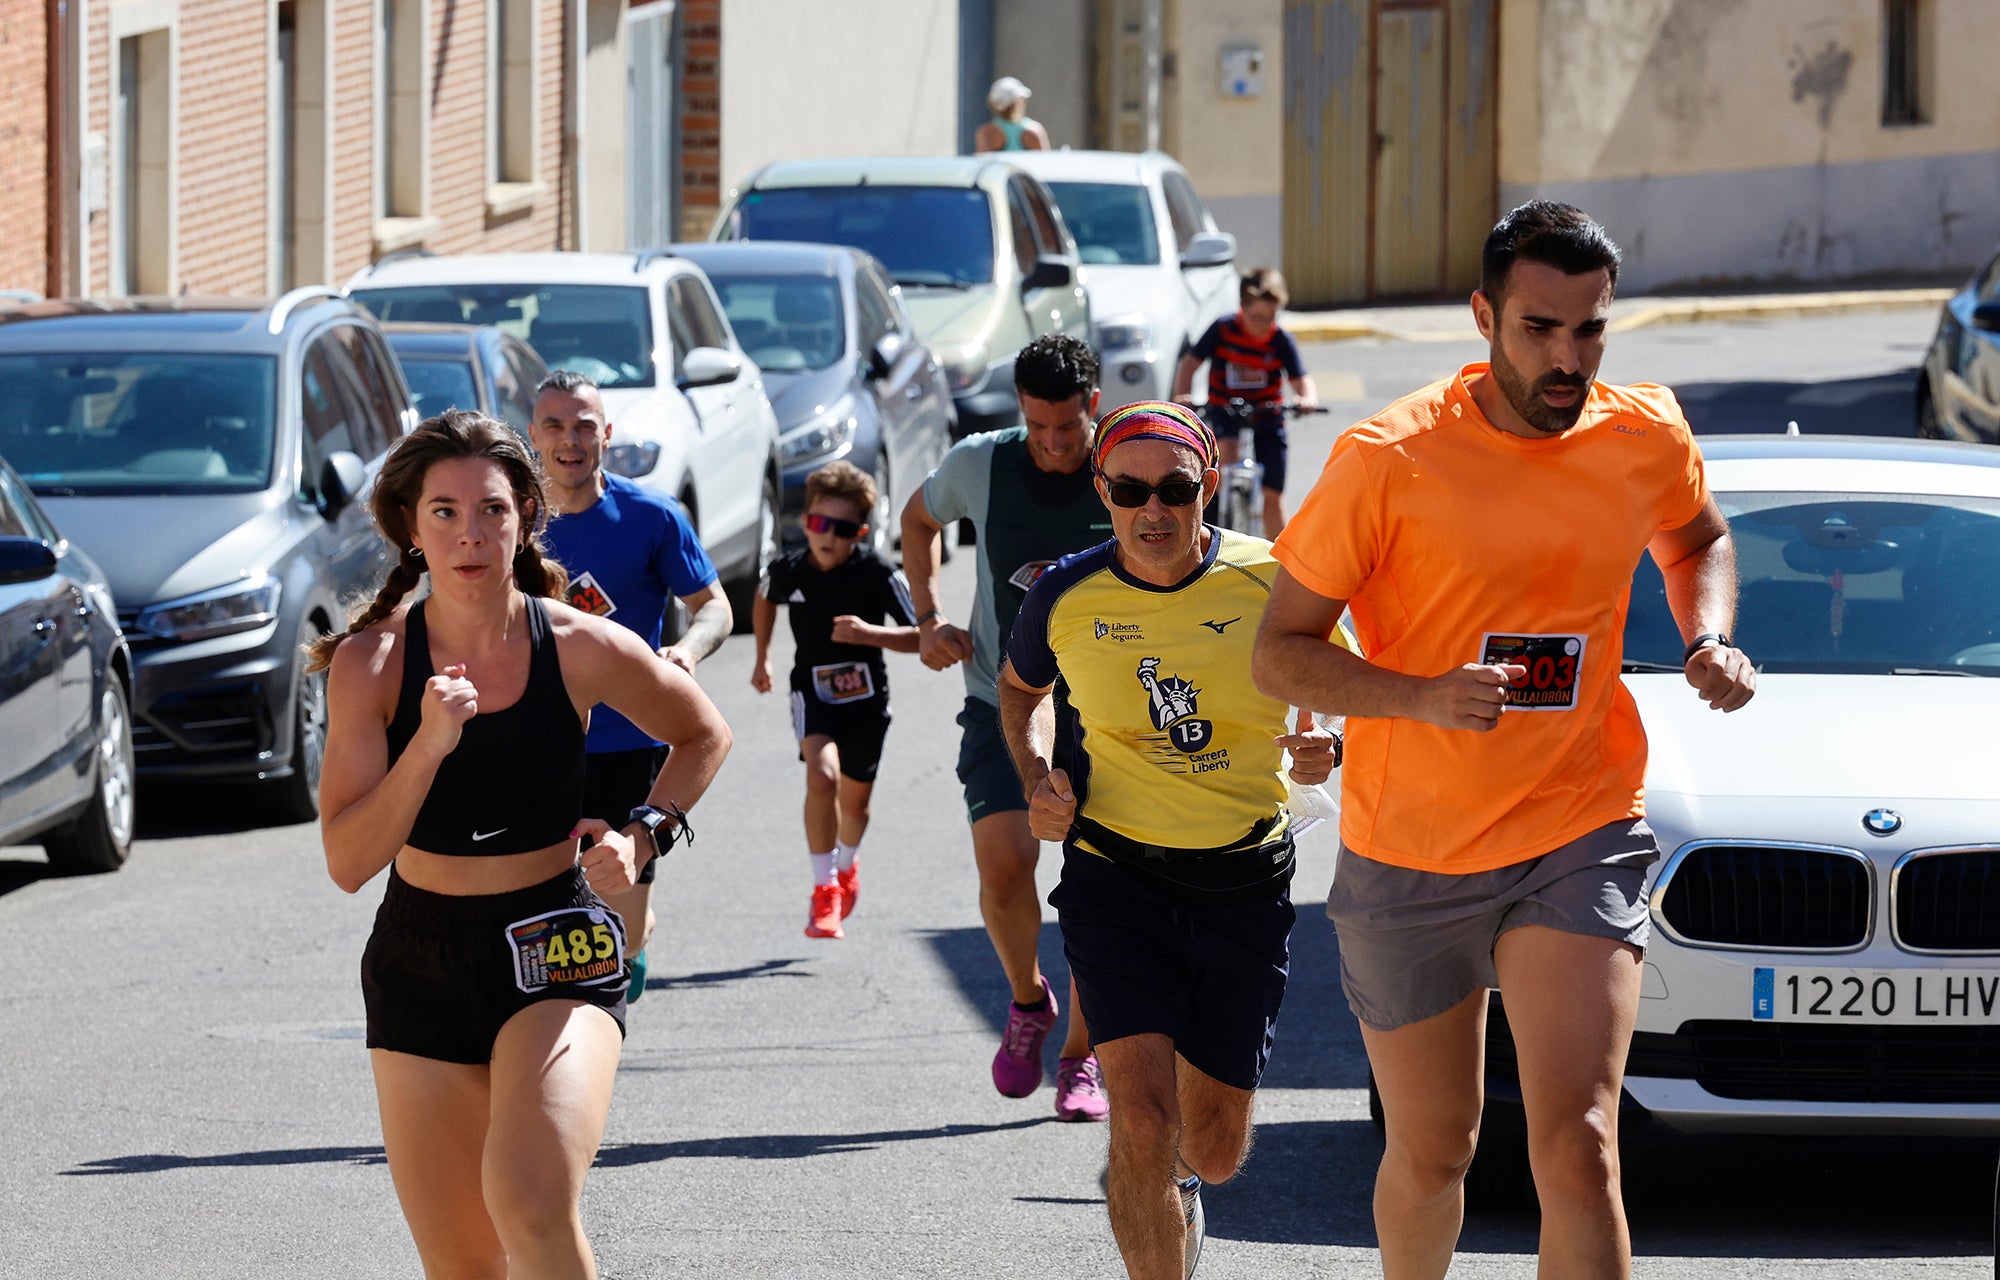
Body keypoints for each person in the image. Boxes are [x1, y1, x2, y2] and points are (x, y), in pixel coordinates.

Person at [1253, 201, 1756, 1280]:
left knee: (1576, 1142)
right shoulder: (1387, 458)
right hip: (1411, 852)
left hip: (1576, 824)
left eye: (1588, 330)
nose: (1566, 357)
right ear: (1482, 314)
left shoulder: (1641, 435)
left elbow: (1697, 533)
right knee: (1435, 1149)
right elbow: (1280, 653)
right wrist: (1417, 695)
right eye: (1538, 328)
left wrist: (1704, 632)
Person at [314, 410, 732, 1279]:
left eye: (493, 510)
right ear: (410, 527)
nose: (472, 534)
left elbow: (703, 734)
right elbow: (350, 861)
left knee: (531, 1200)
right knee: (464, 1265)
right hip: (417, 954)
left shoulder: (577, 645)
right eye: (445, 512)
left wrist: (643, 835)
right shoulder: (375, 664)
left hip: (557, 941)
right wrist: (428, 741)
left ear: (526, 516)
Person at [999, 400, 1341, 1280]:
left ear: (1209, 486)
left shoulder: (1276, 578)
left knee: (1216, 1148)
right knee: (1142, 1121)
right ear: (1101, 490)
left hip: (1244, 879)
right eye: (1130, 489)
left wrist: (1329, 741)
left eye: (1176, 488)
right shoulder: (1063, 593)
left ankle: (1183, 1185)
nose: (1153, 510)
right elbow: (1020, 691)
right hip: (1116, 877)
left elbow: (1344, 687)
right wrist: (1039, 780)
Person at [900, 334, 1113, 1121]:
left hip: (1113, 708)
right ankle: (1029, 1000)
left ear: (1093, 405)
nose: (1054, 445)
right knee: (1002, 866)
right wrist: (927, 618)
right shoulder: (980, 464)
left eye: (1067, 426)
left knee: (1095, 890)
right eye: (1038, 426)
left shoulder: (1127, 465)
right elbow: (914, 520)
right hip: (1003, 693)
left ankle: (1080, 1058)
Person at [532, 369, 735, 1003]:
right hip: (542, 739)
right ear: (533, 437)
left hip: (633, 741)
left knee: (622, 906)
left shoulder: (651, 516)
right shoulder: (514, 523)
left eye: (584, 425)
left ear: (607, 434)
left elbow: (715, 607)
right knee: (544, 898)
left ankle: (628, 948)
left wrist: (687, 649)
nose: (571, 440)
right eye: (556, 426)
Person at [751, 460, 920, 939]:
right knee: (821, 775)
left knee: (856, 802)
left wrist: (871, 635)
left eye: (842, 528)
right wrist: (761, 657)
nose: (827, 536)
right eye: (819, 523)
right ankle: (824, 888)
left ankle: (847, 867)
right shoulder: (787, 570)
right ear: (805, 522)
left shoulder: (878, 574)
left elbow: (925, 635)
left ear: (860, 533)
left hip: (867, 701)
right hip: (813, 693)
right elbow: (764, 597)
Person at [1171, 268, 1318, 541]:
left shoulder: (1280, 339)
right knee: (1224, 455)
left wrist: (1306, 397)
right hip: (1226, 409)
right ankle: (1219, 524)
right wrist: (1183, 397)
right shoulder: (1223, 329)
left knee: (1273, 495)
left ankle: (1278, 560)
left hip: (1268, 413)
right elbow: (1190, 364)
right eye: (1258, 317)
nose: (1265, 324)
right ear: (1242, 308)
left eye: (1272, 317)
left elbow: (1300, 379)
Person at [974, 75, 1051, 153]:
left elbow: (982, 162)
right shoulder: (1034, 130)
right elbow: (1045, 163)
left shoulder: (986, 133)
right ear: (1018, 102)